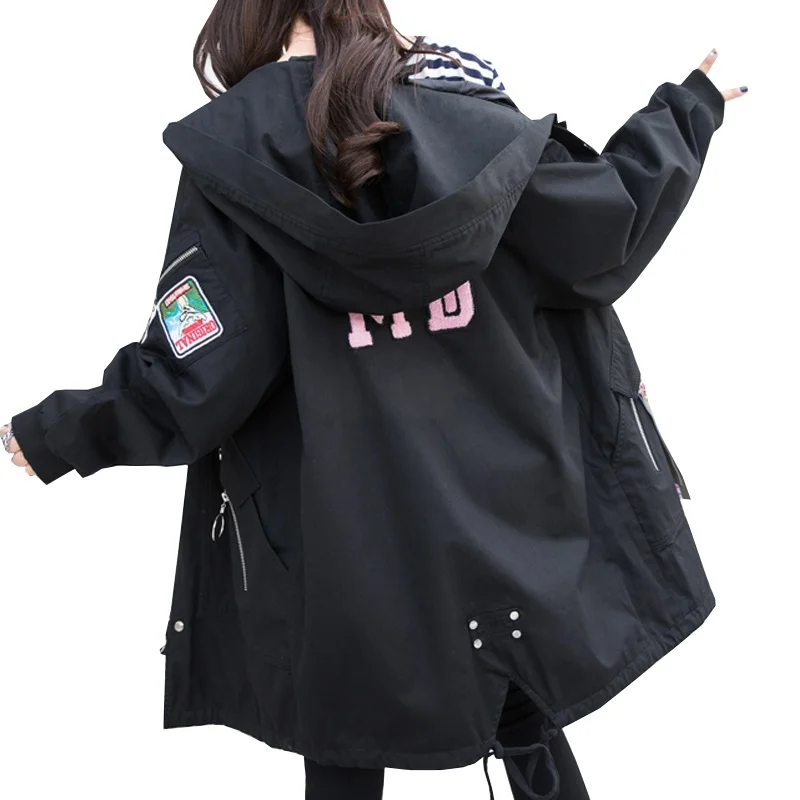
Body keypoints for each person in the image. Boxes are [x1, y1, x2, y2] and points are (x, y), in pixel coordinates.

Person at [1, 2, 748, 798]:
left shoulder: (236, 156)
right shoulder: (465, 113)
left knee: (343, 734)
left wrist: (57, 434)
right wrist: (687, 110)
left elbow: (198, 370)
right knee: (519, 703)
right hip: (506, 518)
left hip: (341, 542)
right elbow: (605, 222)